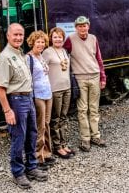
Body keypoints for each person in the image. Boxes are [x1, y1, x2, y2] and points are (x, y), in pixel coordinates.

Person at [0, 23, 48, 189]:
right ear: (8, 36)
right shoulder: (4, 58)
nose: (18, 38)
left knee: (32, 134)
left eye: (20, 35)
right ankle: (18, 172)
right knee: (19, 137)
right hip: (16, 101)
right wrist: (7, 110)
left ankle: (31, 167)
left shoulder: (20, 54)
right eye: (15, 35)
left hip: (28, 98)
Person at [63, 16, 107, 152]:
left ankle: (96, 136)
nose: (82, 28)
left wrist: (102, 77)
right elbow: (63, 54)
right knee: (82, 110)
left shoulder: (93, 38)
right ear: (76, 27)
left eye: (85, 25)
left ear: (89, 26)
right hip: (80, 78)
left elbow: (98, 58)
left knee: (94, 108)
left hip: (94, 76)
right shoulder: (70, 39)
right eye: (80, 26)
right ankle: (85, 139)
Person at [42, 27, 75, 159]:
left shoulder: (64, 51)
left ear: (63, 38)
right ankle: (57, 147)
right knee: (55, 119)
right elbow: (42, 71)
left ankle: (63, 143)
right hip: (55, 90)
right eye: (55, 37)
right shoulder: (47, 52)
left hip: (67, 87)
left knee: (64, 117)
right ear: (51, 38)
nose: (58, 39)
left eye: (60, 37)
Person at [26, 30, 56, 170]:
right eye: (38, 41)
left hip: (47, 93)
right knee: (40, 126)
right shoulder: (29, 58)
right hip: (37, 95)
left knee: (47, 124)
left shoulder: (41, 57)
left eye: (43, 42)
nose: (41, 44)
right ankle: (37, 157)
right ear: (32, 42)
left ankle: (47, 153)